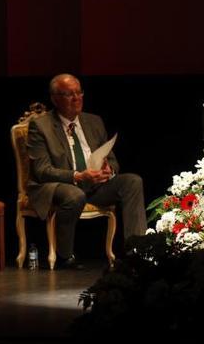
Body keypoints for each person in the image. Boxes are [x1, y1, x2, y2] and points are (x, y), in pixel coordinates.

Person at [26, 74, 146, 269]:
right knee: (75, 195)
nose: (76, 98)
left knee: (132, 181)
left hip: (95, 185)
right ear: (55, 98)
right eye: (69, 94)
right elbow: (42, 170)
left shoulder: (93, 121)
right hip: (60, 185)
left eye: (79, 92)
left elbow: (113, 160)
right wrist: (77, 175)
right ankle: (65, 255)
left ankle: (138, 252)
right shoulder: (41, 126)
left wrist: (109, 170)